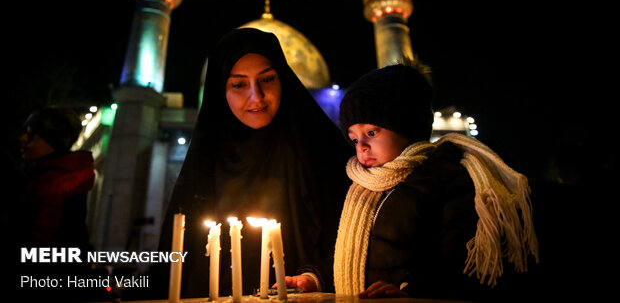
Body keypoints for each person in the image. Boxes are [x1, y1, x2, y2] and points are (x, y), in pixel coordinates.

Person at [154, 28, 351, 298]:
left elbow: (356, 241)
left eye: (267, 79)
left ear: (283, 79)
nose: (256, 97)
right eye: (239, 84)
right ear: (220, 90)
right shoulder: (206, 166)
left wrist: (316, 277)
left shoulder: (320, 152)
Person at [330, 63, 539, 301]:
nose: (362, 147)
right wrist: (313, 276)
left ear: (406, 126)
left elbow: (462, 262)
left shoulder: (445, 180)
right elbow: (352, 254)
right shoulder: (365, 187)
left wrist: (411, 291)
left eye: (372, 132)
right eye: (354, 139)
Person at [13, 105, 97, 301]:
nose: (23, 139)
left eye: (31, 134)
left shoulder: (53, 182)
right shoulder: (55, 176)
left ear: (51, 140)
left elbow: (37, 245)